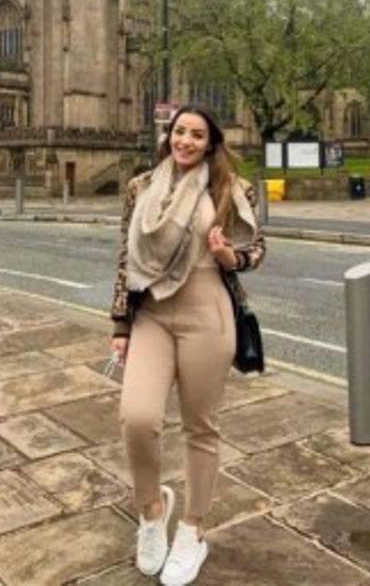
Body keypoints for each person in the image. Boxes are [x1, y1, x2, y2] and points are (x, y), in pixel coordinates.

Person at [110, 104, 266, 585]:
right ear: (168, 135)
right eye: (180, 132)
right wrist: (120, 327)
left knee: (201, 427)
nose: (186, 141)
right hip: (152, 313)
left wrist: (229, 254)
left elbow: (256, 251)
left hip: (208, 313)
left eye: (197, 135)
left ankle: (193, 530)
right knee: (137, 417)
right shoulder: (140, 187)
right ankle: (152, 513)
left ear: (211, 142)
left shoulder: (232, 190)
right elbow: (125, 256)